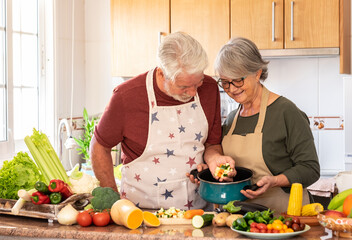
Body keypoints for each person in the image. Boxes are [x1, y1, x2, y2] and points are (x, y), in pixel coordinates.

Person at [90, 32, 235, 210]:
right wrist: (113, 201)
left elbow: (212, 144)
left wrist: (215, 160)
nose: (192, 93)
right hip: (139, 213)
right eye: (183, 86)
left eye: (197, 83)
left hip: (196, 212)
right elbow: (99, 146)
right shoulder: (126, 96)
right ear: (161, 74)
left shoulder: (210, 89)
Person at [208, 37, 320, 213]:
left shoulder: (286, 112)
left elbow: (310, 169)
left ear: (257, 73)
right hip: (243, 217)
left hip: (284, 215)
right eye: (224, 82)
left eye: (238, 80)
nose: (231, 88)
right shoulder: (231, 119)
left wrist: (274, 180)